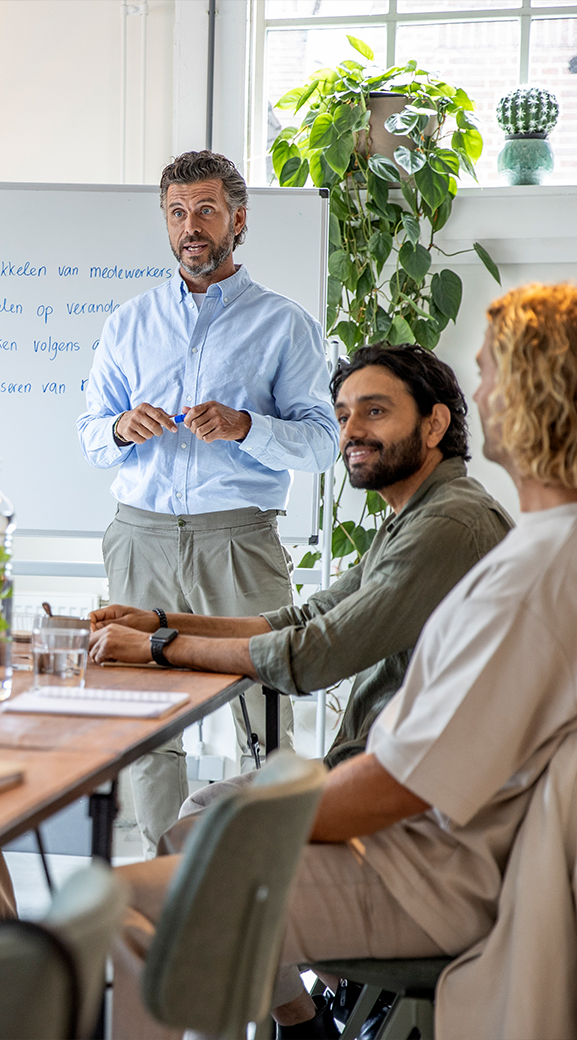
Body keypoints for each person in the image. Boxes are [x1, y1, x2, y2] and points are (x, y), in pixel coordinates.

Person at [111, 282, 577, 1038]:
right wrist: (163, 625)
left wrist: (251, 818)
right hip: (428, 839)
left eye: (492, 374)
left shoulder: (506, 551)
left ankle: (298, 1026)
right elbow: (307, 620)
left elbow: (401, 776)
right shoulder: (503, 538)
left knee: (132, 903)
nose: (484, 394)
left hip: (429, 863)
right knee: (191, 840)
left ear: (536, 393)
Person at [88, 344, 513, 783]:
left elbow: (313, 654)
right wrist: (158, 623)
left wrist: (159, 647)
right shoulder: (419, 514)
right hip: (382, 764)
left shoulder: (446, 524)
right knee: (211, 802)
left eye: (375, 412)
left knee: (211, 809)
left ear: (434, 424)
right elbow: (307, 617)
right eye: (343, 417)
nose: (351, 431)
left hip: (413, 781)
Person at [75, 149, 339, 851]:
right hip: (141, 537)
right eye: (177, 213)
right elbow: (90, 434)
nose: (190, 227)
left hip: (239, 539)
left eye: (205, 211)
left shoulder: (284, 324)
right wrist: (120, 428)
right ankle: (163, 876)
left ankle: (264, 872)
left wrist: (247, 426)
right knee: (147, 722)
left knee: (265, 714)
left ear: (237, 220)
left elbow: (322, 444)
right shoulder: (128, 323)